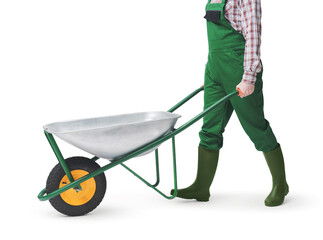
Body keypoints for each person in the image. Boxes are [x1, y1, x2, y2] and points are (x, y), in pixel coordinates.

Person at [171, 0, 289, 206]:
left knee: (256, 127)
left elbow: (253, 34)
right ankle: (201, 186)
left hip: (238, 68)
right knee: (209, 128)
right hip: (215, 69)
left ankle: (281, 184)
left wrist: (249, 77)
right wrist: (213, 74)